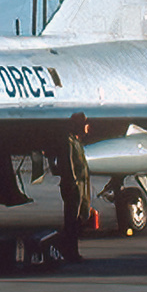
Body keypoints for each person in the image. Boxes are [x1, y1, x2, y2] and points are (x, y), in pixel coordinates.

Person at [56, 112, 91, 263]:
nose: (88, 127)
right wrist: (75, 185)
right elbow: (69, 165)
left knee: (78, 219)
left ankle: (72, 251)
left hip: (81, 185)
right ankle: (70, 252)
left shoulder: (77, 142)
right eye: (85, 124)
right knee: (71, 220)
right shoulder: (69, 142)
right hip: (74, 186)